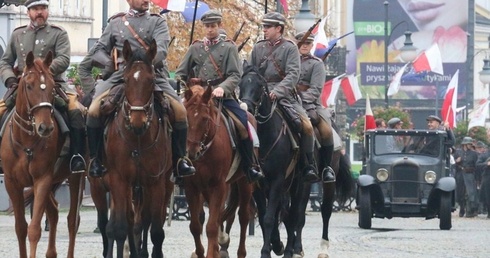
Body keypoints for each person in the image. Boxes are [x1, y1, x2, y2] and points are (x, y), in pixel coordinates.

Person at [81, 0, 195, 178]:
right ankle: (95, 160)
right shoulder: (115, 23)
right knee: (94, 110)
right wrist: (108, 62)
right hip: (121, 76)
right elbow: (99, 50)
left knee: (180, 111)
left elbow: (162, 50)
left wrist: (145, 65)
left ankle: (180, 160)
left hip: (151, 74)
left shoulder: (157, 22)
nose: (146, 1)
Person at [174, 10, 264, 183]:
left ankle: (249, 166)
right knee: (174, 120)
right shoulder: (195, 47)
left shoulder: (229, 47)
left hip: (222, 96)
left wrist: (222, 87)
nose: (210, 30)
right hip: (198, 97)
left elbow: (235, 75)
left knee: (244, 125)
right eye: (207, 26)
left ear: (219, 26)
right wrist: (189, 88)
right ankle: (177, 164)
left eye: (213, 26)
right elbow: (180, 73)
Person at [0, 0, 86, 174]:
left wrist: (44, 72)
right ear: (28, 12)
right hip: (24, 86)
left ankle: (76, 156)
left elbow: (63, 58)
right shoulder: (18, 34)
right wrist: (10, 79)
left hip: (52, 83)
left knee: (75, 110)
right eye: (36, 9)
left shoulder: (58, 33)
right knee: (0, 111)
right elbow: (5, 61)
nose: (40, 12)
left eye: (43, 9)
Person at [248, 12, 318, 182]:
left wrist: (278, 91)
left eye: (267, 27)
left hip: (284, 96)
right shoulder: (258, 47)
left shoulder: (290, 48)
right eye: (263, 26)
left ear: (278, 28)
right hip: (260, 95)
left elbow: (293, 74)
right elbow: (251, 72)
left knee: (307, 126)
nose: (264, 30)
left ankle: (308, 164)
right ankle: (245, 162)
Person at [294, 31, 336, 183]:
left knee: (326, 131)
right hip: (288, 100)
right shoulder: (288, 62)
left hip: (311, 103)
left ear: (311, 45)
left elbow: (316, 89)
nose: (304, 46)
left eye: (307, 44)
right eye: (302, 43)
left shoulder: (317, 64)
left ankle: (326, 168)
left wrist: (301, 98)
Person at [454, 136, 479, 218]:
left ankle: (470, 210)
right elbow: (452, 163)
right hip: (460, 174)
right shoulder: (458, 152)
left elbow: (476, 165)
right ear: (464, 144)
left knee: (470, 193)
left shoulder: (474, 154)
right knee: (460, 193)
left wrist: (476, 177)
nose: (470, 145)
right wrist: (456, 161)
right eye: (469, 144)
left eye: (471, 144)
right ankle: (462, 208)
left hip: (470, 174)